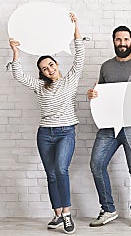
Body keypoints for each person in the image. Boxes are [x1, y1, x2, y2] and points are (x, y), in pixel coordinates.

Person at [8, 13, 83, 234]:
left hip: (66, 132)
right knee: (50, 174)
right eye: (44, 69)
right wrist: (15, 52)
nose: (49, 69)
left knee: (61, 169)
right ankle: (58, 214)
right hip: (45, 134)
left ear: (57, 64)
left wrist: (75, 25)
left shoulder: (70, 79)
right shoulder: (40, 87)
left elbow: (80, 54)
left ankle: (67, 214)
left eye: (51, 65)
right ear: (41, 73)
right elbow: (19, 75)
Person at [87, 26, 131, 228]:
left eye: (126, 39)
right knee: (96, 164)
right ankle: (108, 209)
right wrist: (92, 96)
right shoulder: (106, 66)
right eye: (118, 40)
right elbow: (100, 91)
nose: (122, 43)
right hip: (108, 126)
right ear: (113, 42)